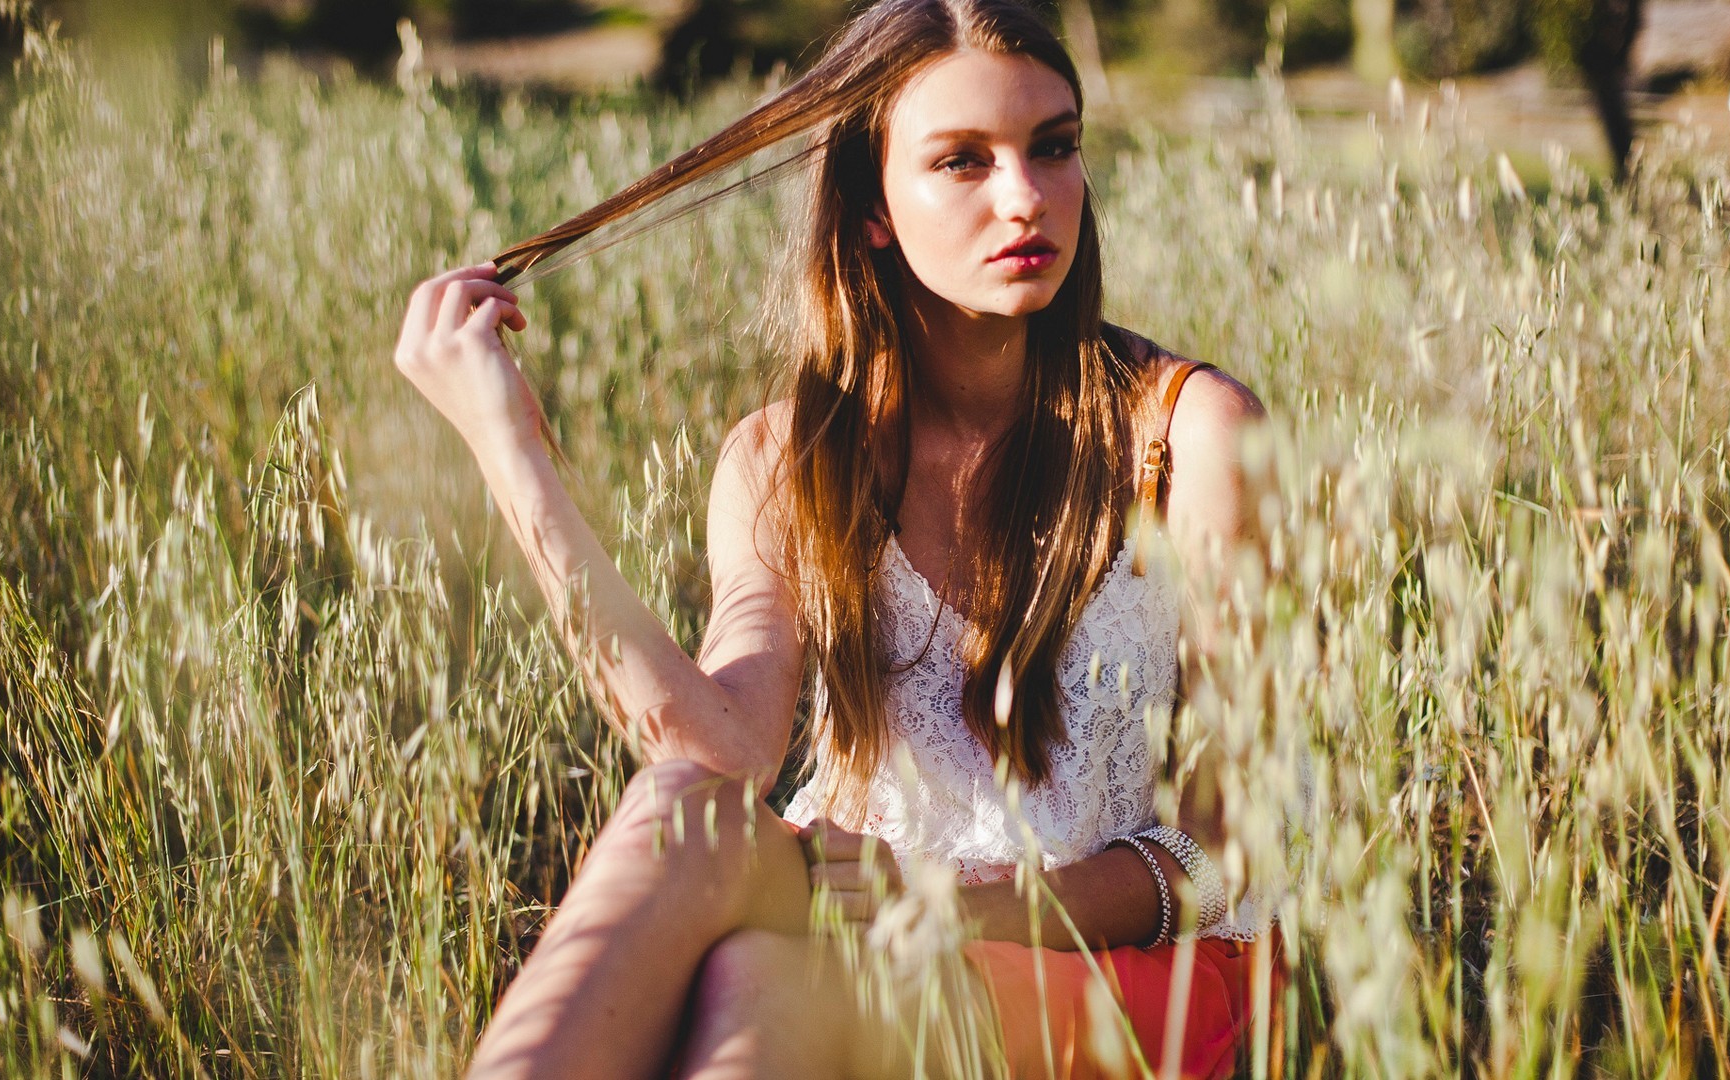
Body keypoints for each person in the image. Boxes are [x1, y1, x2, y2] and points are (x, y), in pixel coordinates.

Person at [392, 0, 1279, 1075]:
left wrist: (963, 907)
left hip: (1127, 970)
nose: (1027, 198)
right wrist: (508, 445)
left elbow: (1225, 852)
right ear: (871, 208)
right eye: (962, 162)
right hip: (867, 906)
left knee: (769, 979)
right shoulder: (789, 459)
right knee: (686, 820)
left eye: (1054, 147)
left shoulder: (1188, 437)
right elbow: (715, 756)